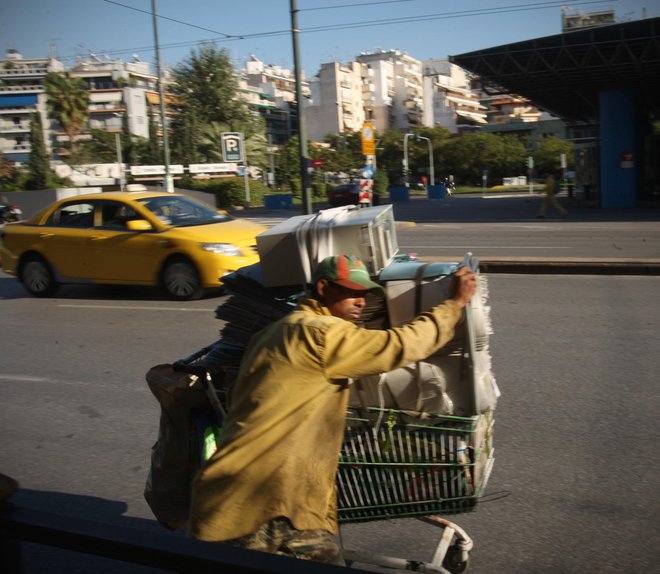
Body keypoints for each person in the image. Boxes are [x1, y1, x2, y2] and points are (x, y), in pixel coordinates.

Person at [188, 254, 477, 565]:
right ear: (323, 288)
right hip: (262, 496)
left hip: (242, 488)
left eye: (365, 294)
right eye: (352, 292)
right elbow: (400, 345)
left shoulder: (276, 331)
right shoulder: (320, 333)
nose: (361, 302)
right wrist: (453, 305)